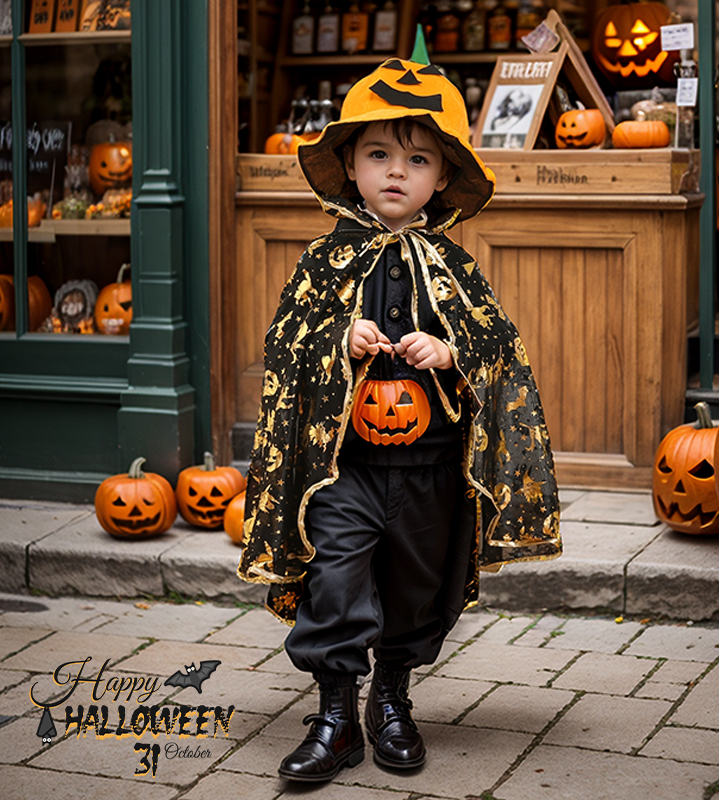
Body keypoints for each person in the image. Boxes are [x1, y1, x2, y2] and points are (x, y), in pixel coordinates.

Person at [237, 50, 561, 784]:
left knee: (417, 588)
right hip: (343, 468)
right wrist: (334, 340)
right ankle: (333, 715)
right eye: (378, 153)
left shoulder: (457, 267)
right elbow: (285, 346)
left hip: (429, 468)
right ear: (349, 163)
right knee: (336, 583)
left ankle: (392, 697)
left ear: (442, 176)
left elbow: (498, 351)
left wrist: (450, 352)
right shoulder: (324, 263)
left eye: (417, 159)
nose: (395, 171)